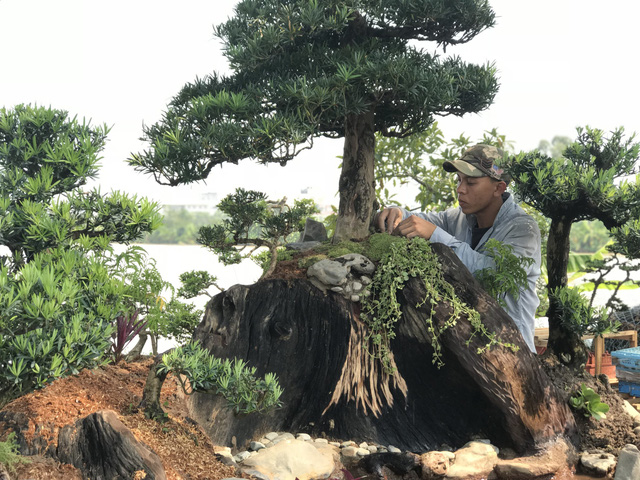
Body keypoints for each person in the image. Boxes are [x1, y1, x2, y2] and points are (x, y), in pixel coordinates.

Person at [375, 144, 541, 352]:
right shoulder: (460, 218)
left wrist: (435, 234)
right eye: (459, 180)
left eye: (471, 182)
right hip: (469, 350)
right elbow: (423, 220)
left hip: (512, 351)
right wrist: (397, 213)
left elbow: (489, 274)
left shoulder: (523, 229)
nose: (460, 189)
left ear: (498, 188)